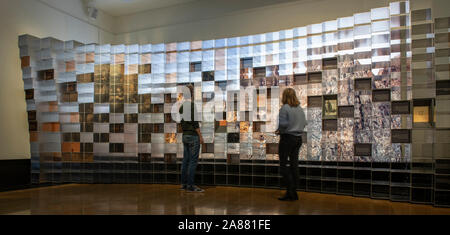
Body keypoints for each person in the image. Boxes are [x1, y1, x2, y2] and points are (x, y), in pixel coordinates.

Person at [276, 88, 307, 201]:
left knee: (283, 166)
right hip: (298, 138)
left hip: (287, 138)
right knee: (294, 165)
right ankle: (294, 191)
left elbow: (283, 124)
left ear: (284, 96)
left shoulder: (285, 108)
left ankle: (290, 192)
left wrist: (279, 130)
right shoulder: (299, 108)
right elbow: (304, 123)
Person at [179, 84, 204, 192]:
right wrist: (200, 136)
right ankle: (191, 186)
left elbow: (181, 122)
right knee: (193, 162)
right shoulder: (192, 106)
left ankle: (183, 184)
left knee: (185, 161)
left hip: (185, 136)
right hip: (193, 136)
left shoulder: (181, 107)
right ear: (191, 94)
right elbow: (195, 123)